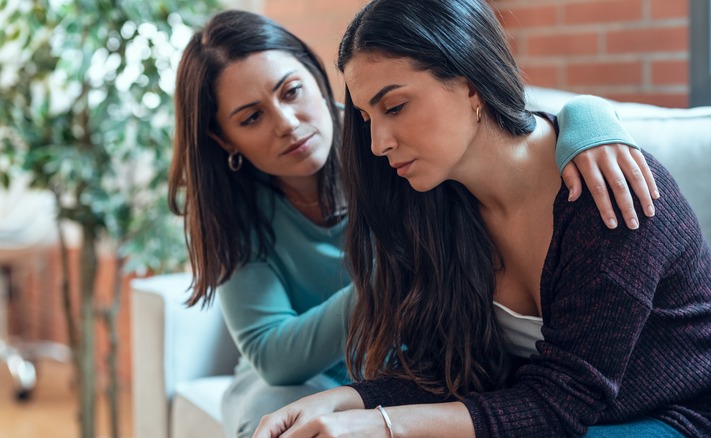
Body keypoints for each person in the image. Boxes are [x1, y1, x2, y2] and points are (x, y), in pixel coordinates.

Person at [251, 0, 711, 437]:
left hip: (697, 418)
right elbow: (452, 378)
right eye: (367, 117)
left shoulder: (606, 191)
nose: (378, 142)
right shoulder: (440, 205)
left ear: (471, 84)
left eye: (396, 107)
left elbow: (560, 403)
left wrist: (382, 425)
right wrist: (345, 401)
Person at [168, 9, 663, 438]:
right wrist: (399, 270)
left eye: (292, 91)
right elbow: (275, 358)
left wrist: (591, 119)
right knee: (271, 407)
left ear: (316, 79)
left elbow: (504, 116)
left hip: (408, 360)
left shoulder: (403, 150)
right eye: (251, 117)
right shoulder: (244, 207)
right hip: (330, 373)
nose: (288, 123)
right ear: (224, 138)